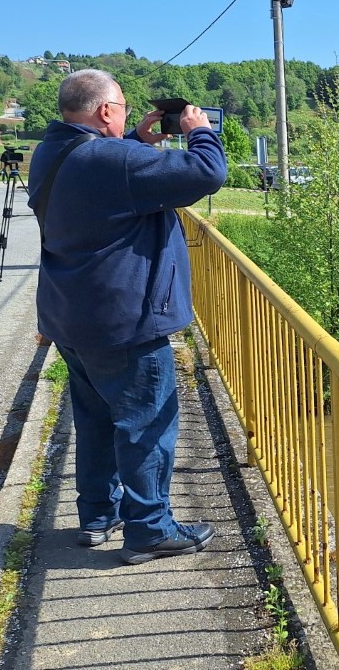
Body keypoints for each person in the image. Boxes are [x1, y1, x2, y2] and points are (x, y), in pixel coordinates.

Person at [28, 69, 227, 565]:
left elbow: (103, 179)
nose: (123, 112)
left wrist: (137, 140)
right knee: (146, 427)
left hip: (71, 318)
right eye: (120, 106)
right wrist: (199, 129)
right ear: (104, 111)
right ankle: (150, 530)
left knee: (95, 423)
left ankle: (98, 516)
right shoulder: (110, 160)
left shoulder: (51, 152)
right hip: (124, 323)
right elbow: (207, 173)